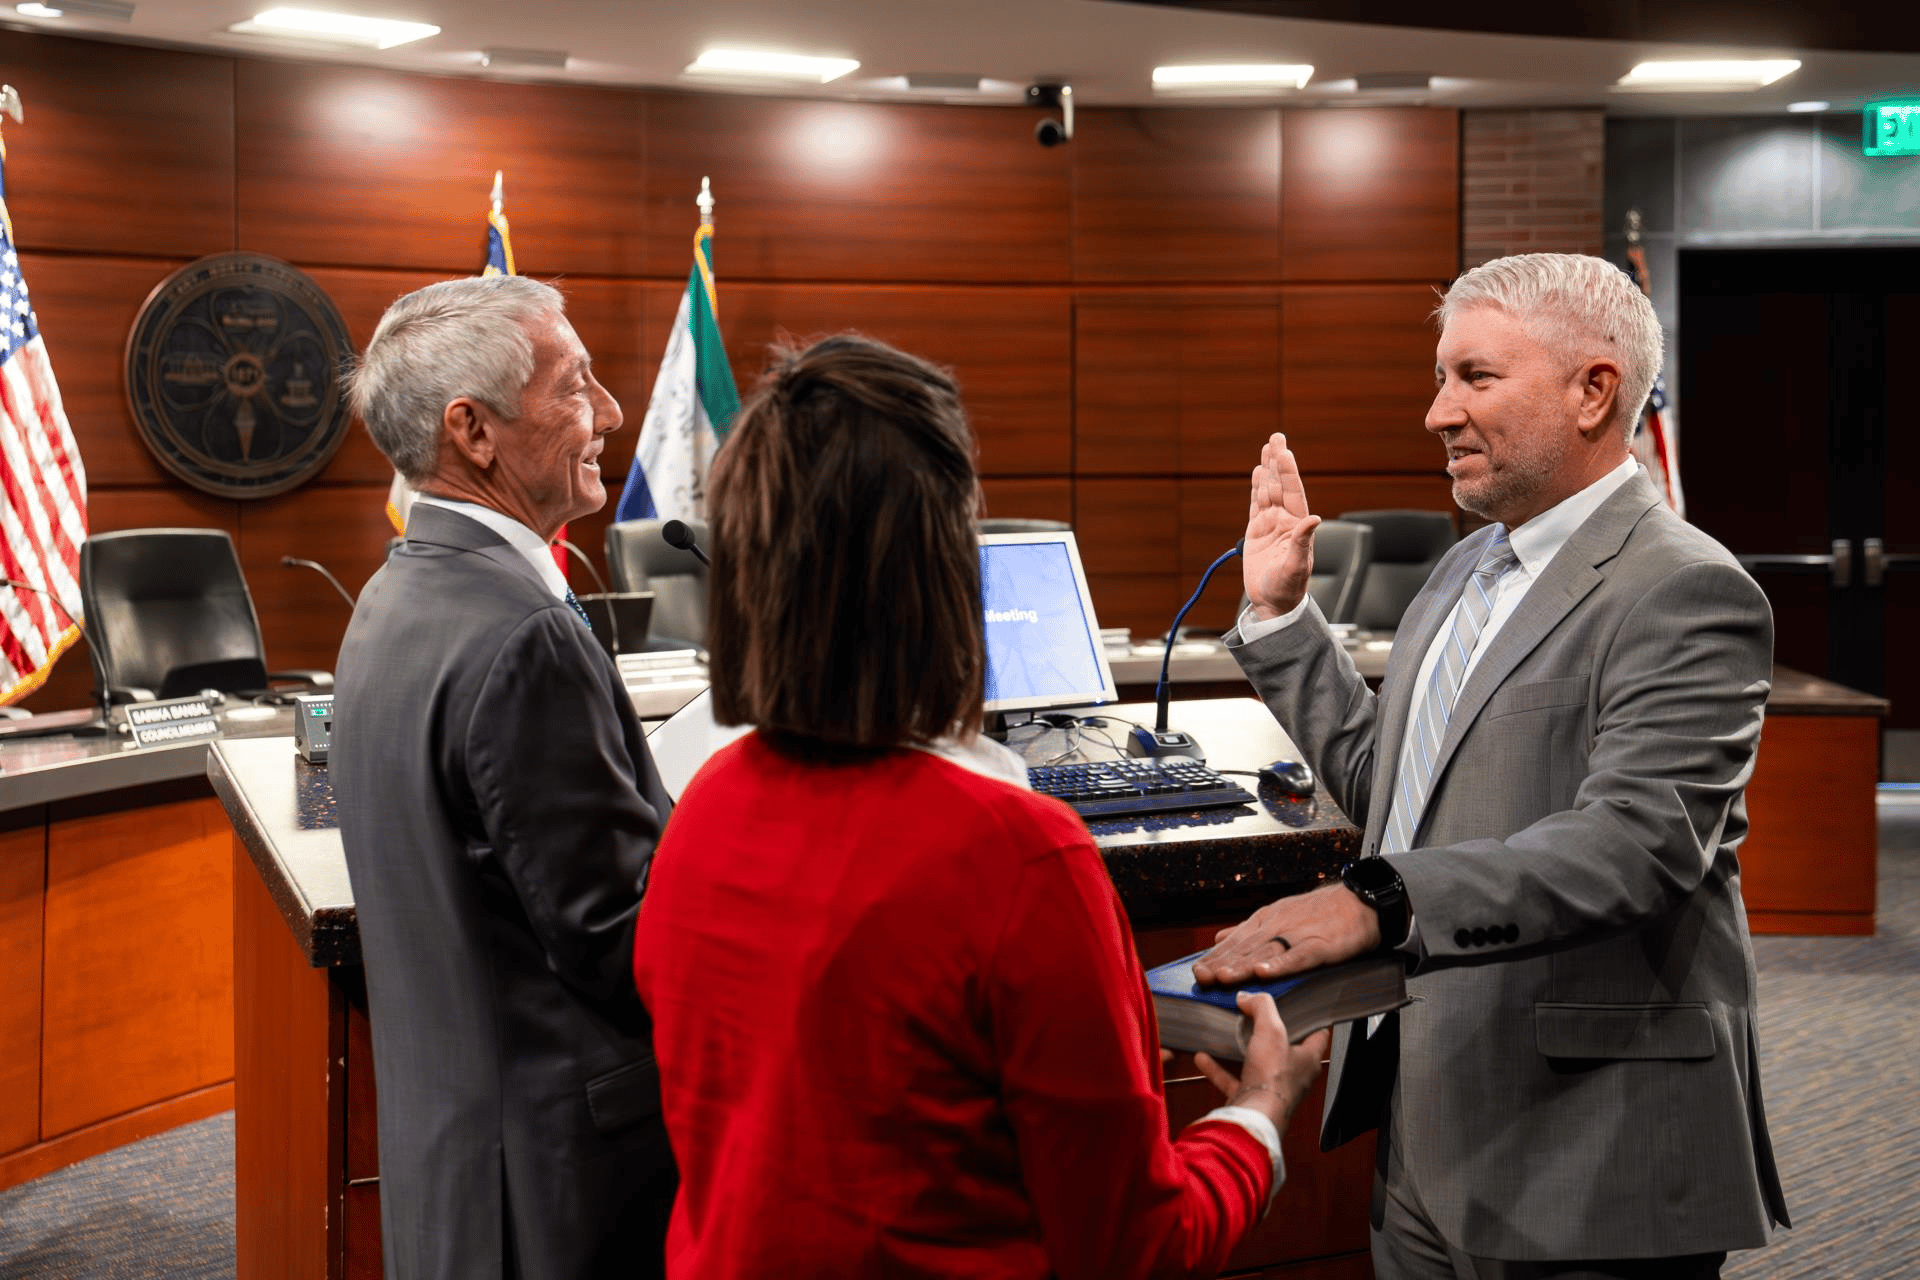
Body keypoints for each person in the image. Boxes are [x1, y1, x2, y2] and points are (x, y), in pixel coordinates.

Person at [630, 333, 1331, 1279]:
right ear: (943, 569)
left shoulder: (703, 805)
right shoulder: (1017, 855)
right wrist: (1260, 1113)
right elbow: (1137, 1248)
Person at [1197, 253, 1790, 1279]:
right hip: (1425, 1118)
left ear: (1594, 390)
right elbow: (1396, 788)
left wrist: (1377, 900)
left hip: (1587, 1143)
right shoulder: (1466, 566)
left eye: (1475, 377)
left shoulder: (1687, 588)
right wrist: (1284, 617)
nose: (1438, 412)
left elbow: (1636, 844)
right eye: (1441, 378)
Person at [332, 274, 676, 1280]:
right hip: (558, 1189)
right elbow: (621, 942)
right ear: (473, 431)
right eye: (574, 385)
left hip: (455, 1174)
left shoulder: (389, 599)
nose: (610, 412)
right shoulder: (525, 635)